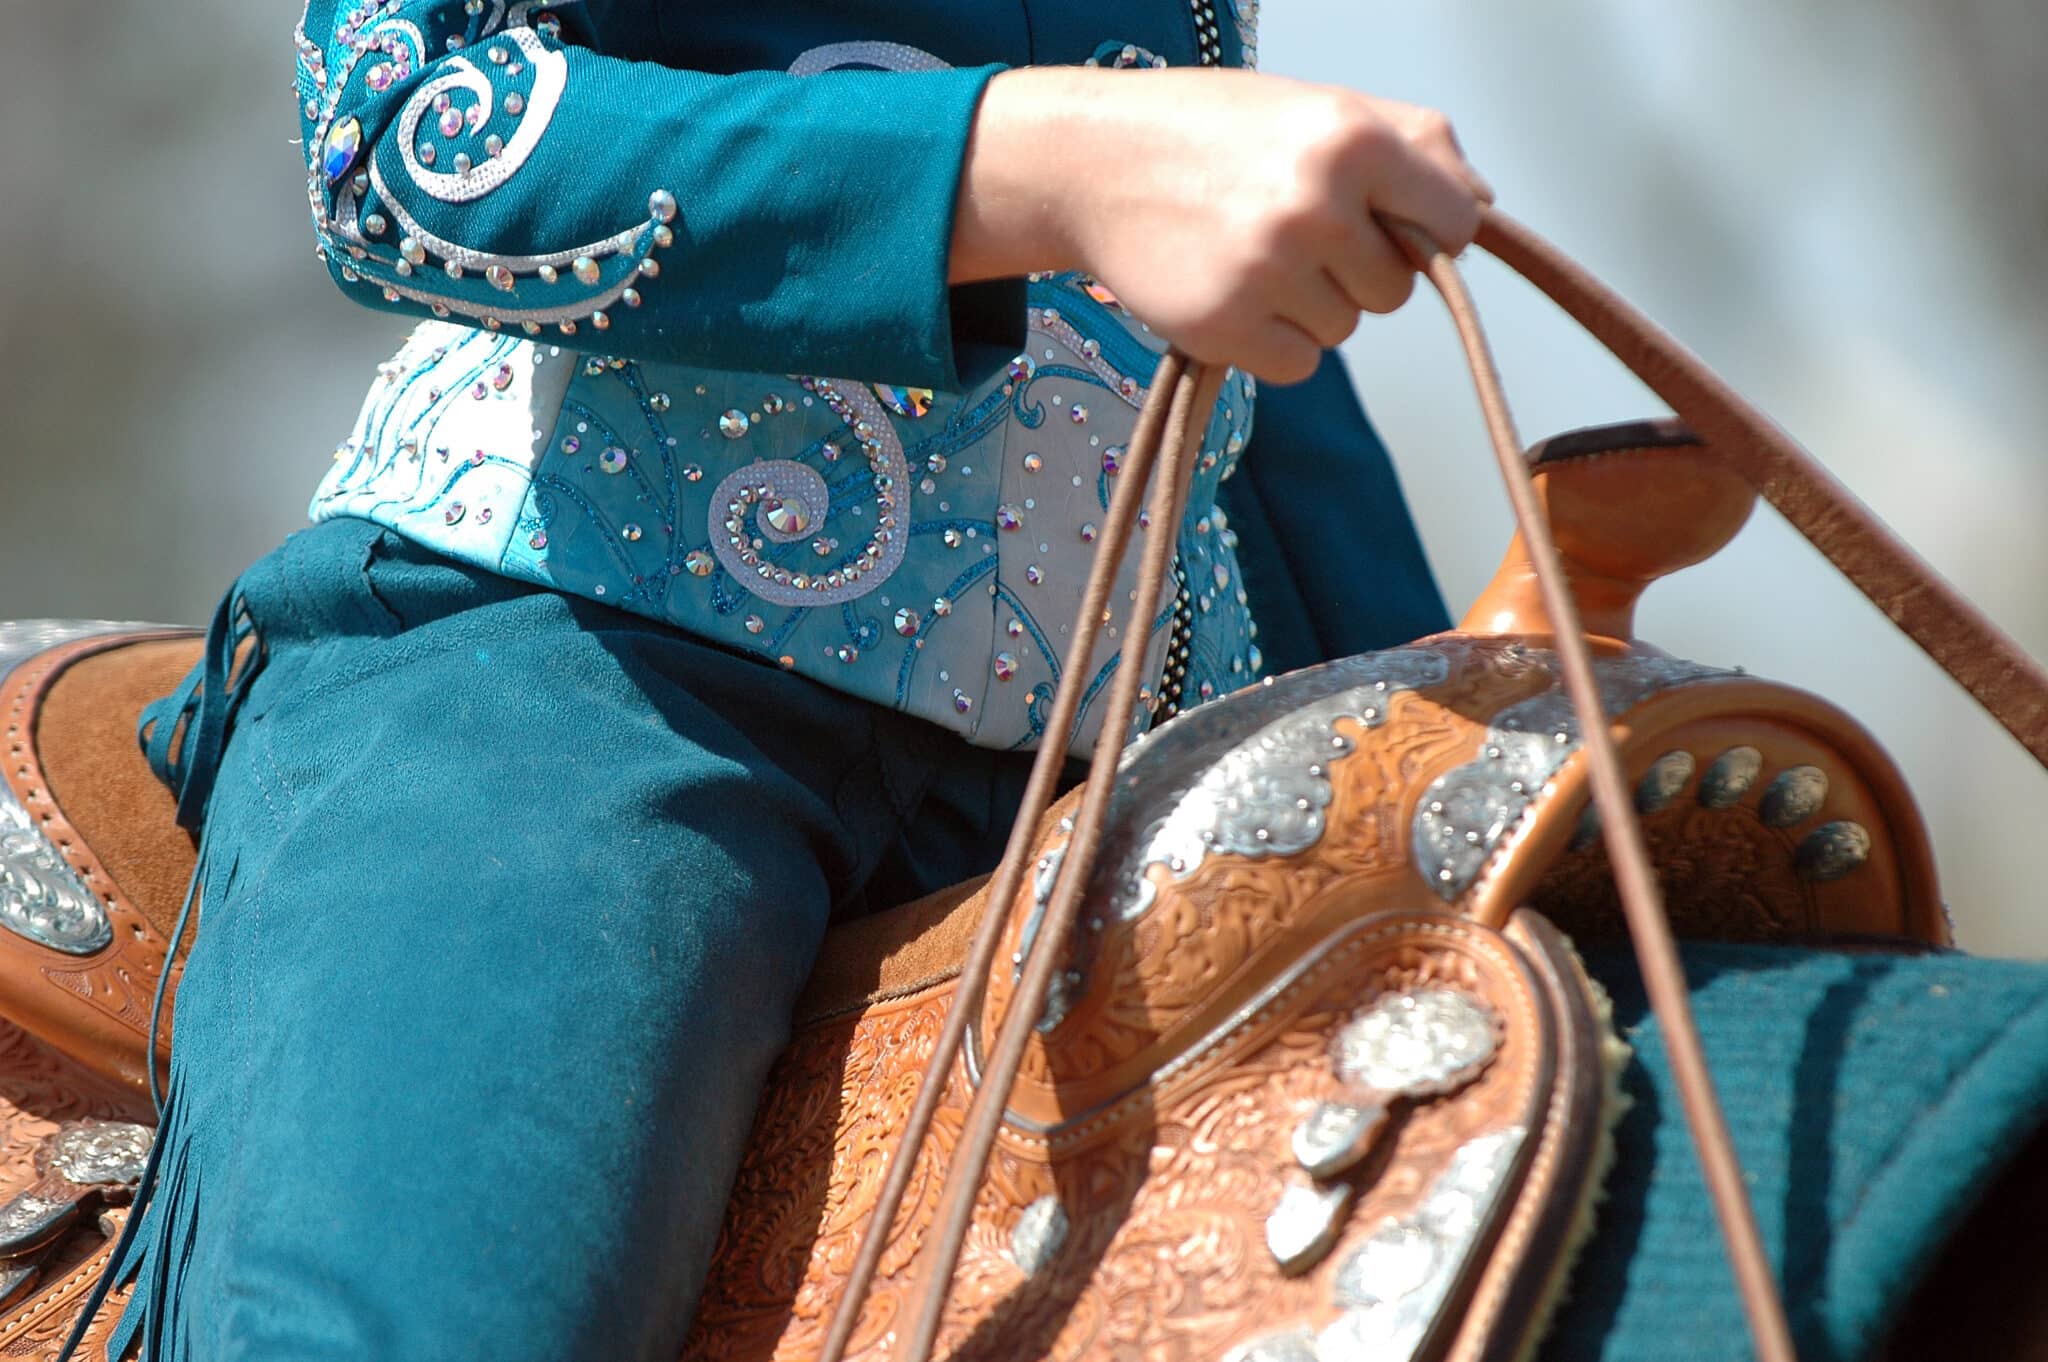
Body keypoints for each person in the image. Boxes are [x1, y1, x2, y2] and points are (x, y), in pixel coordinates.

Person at [92, 2, 1489, 1359]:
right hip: (563, 688)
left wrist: (1452, 692)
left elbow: (1227, 372)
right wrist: (1043, 158)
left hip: (1126, 754)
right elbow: (400, 134)